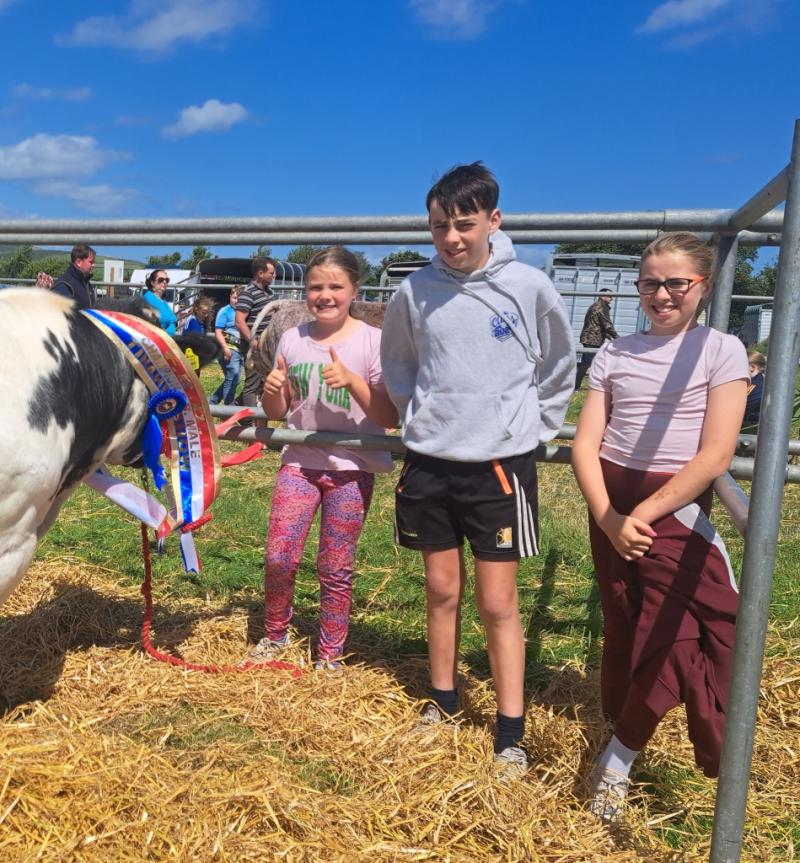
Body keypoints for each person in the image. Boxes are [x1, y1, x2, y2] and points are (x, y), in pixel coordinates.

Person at [380, 162, 575, 775]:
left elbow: (558, 364)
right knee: (440, 588)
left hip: (498, 465)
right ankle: (443, 701)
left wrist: (534, 429)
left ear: (494, 220)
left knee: (497, 601)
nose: (452, 238)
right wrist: (426, 415)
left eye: (465, 224)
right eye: (440, 227)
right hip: (430, 460)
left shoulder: (528, 286)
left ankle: (510, 729)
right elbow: (400, 365)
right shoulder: (414, 292)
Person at [571, 231, 749, 822]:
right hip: (611, 503)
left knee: (687, 631)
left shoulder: (720, 350)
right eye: (651, 282)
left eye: (678, 282)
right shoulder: (615, 354)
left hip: (668, 507)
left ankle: (617, 759)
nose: (663, 294)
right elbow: (586, 442)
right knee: (625, 622)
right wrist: (607, 516)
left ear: (704, 284)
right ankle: (620, 734)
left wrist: (641, 516)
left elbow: (716, 454)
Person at [253, 247, 398, 670]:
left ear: (354, 290)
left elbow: (388, 416)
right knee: (280, 555)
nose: (325, 295)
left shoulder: (372, 341)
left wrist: (352, 381)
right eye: (316, 286)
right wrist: (273, 387)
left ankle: (329, 653)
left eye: (336, 286)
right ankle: (275, 635)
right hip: (299, 461)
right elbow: (278, 412)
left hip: (353, 469)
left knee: (335, 564)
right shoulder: (292, 338)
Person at [236, 256, 277, 409]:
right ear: (260, 273)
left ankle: (235, 407)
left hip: (266, 345)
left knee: (263, 381)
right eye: (271, 273)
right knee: (252, 385)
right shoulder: (248, 293)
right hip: (254, 346)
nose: (274, 276)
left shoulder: (269, 293)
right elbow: (240, 321)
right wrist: (252, 341)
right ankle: (249, 423)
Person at [575, 288, 618, 390]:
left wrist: (609, 336)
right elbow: (607, 325)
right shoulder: (600, 307)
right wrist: (617, 338)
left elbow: (598, 325)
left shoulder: (598, 306)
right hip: (592, 339)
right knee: (586, 364)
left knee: (590, 362)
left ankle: (579, 383)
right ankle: (575, 386)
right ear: (602, 296)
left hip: (593, 338)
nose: (612, 299)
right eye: (610, 296)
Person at [210, 286, 244, 405]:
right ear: (230, 297)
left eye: (240, 299)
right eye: (234, 298)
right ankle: (228, 408)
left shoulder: (243, 312)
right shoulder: (225, 312)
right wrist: (225, 348)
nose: (236, 301)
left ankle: (213, 401)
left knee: (236, 379)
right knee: (232, 375)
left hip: (241, 349)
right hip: (229, 348)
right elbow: (218, 331)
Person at [50, 244, 96, 309]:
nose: (94, 265)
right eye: (91, 262)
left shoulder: (86, 283)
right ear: (79, 262)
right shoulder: (64, 285)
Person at [141, 269, 178, 335]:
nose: (164, 282)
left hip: (168, 339)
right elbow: (147, 326)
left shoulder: (163, 300)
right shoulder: (149, 298)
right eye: (161, 280)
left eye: (167, 280)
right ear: (152, 283)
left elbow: (172, 319)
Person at [743, 350, 766, 427]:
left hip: (749, 431)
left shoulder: (758, 386)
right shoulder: (751, 383)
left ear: (752, 367)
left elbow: (743, 409)